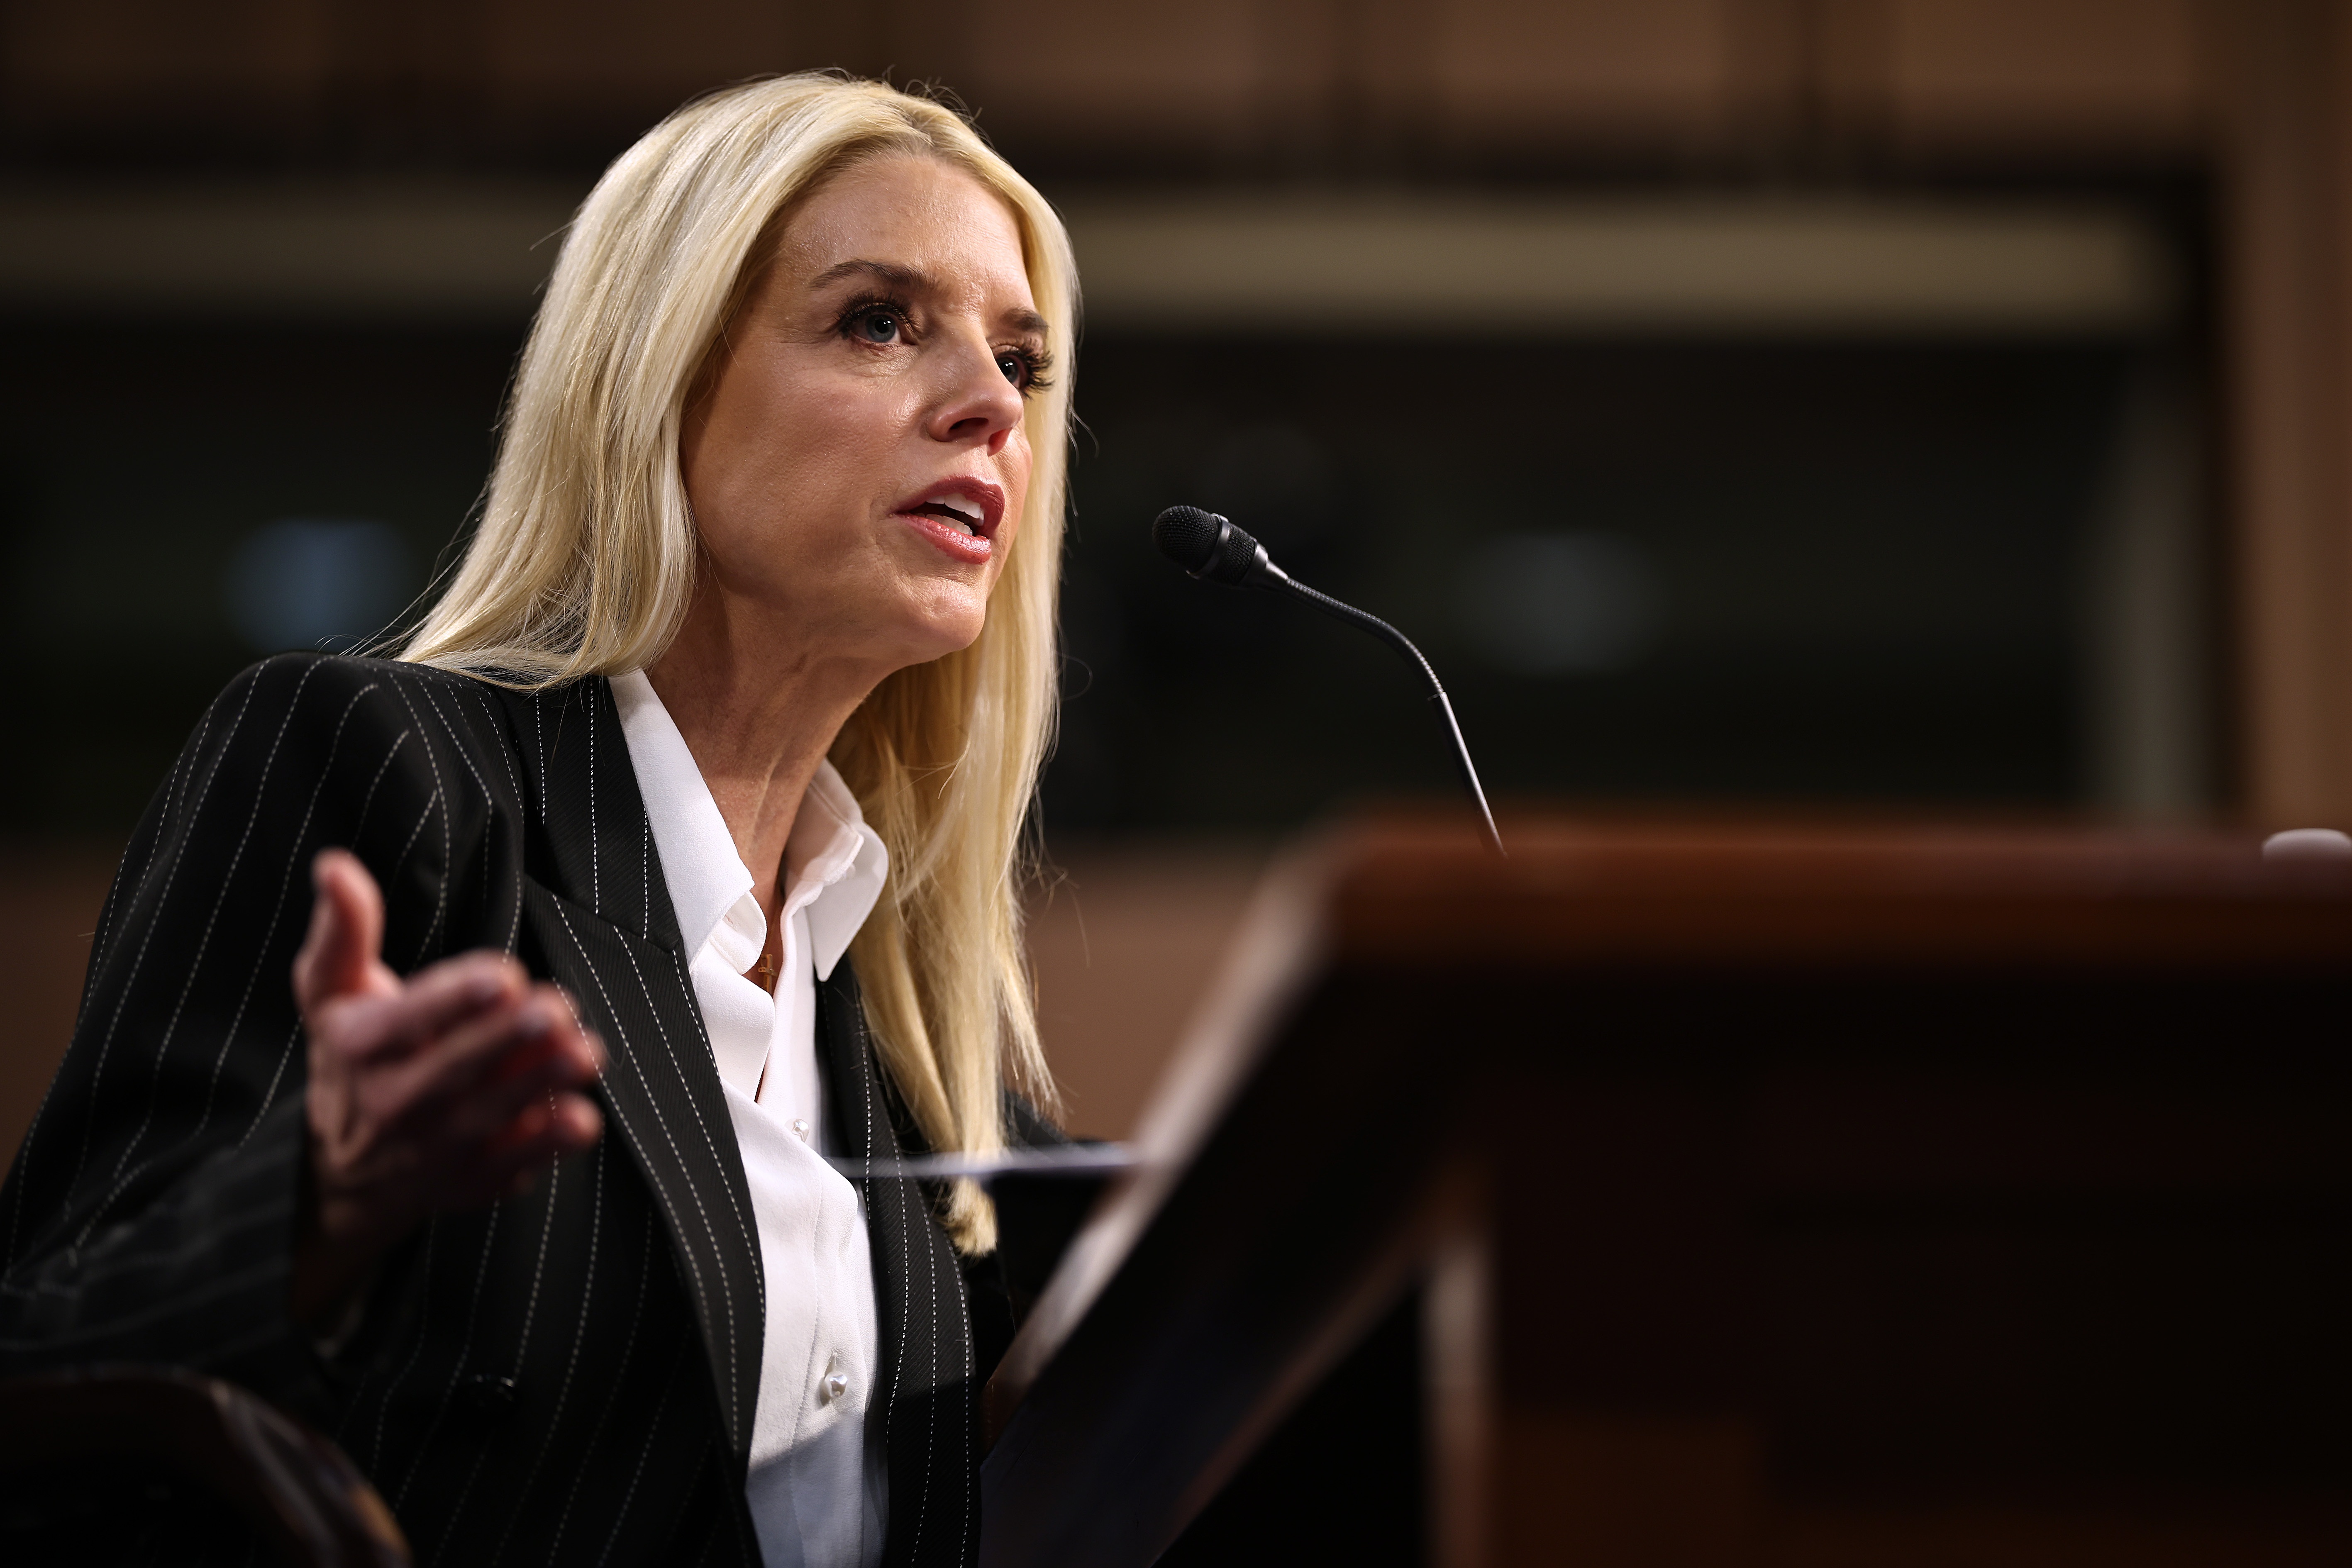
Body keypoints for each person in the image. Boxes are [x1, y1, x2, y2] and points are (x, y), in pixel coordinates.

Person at [0, 72, 1075, 1568]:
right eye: (879, 321)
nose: (986, 404)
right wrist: (309, 1201)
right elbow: (47, 1366)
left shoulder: (895, 1006)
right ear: (657, 376)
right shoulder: (381, 775)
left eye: (1021, 362)